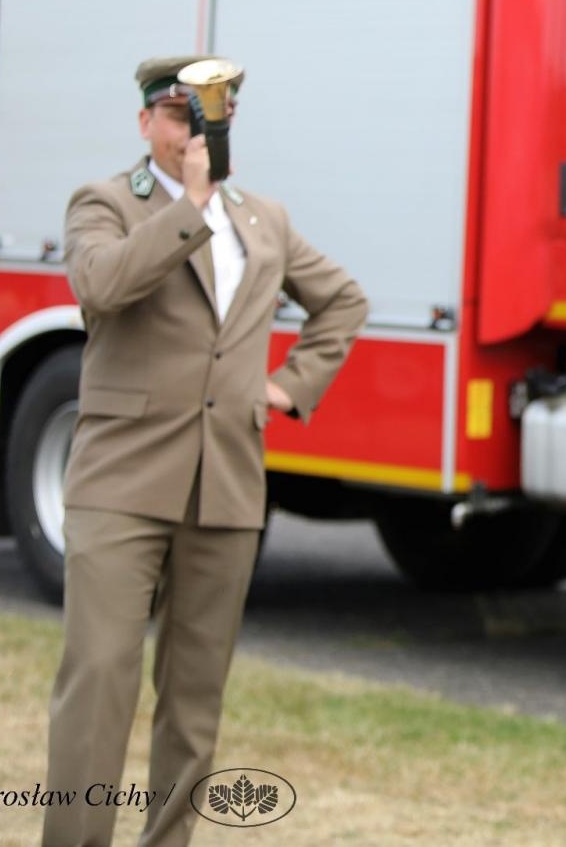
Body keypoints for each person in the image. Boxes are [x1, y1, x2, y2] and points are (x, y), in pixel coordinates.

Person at [43, 55, 367, 847]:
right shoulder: (108, 202)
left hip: (224, 486)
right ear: (147, 122)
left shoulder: (263, 218)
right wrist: (190, 203)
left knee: (194, 699)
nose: (199, 132)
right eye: (184, 117)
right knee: (101, 680)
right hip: (120, 484)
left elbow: (344, 302)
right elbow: (101, 284)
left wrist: (289, 387)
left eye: (214, 118)